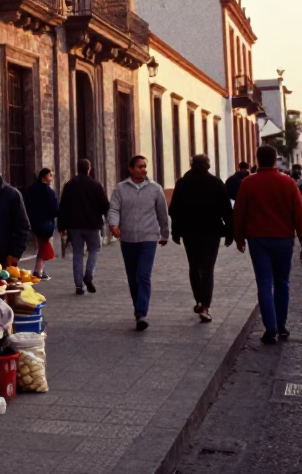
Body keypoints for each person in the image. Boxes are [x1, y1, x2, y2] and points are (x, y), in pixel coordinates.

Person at [234, 144, 302, 344]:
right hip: (283, 239)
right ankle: (281, 326)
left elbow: (239, 212)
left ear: (257, 160)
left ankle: (270, 328)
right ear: (275, 160)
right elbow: (299, 213)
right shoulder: (288, 183)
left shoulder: (248, 183)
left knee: (264, 282)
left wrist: (238, 238)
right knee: (282, 282)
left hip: (258, 240)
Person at [169, 153, 234, 323]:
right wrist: (229, 233)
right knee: (208, 269)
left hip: (190, 232)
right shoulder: (216, 183)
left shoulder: (183, 183)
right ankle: (205, 307)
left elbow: (174, 210)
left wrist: (175, 232)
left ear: (191, 165)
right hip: (211, 233)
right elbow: (226, 210)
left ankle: (199, 299)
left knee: (194, 266)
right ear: (208, 165)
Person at [108, 154, 169, 332]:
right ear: (131, 168)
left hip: (148, 237)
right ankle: (138, 309)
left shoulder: (155, 189)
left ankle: (142, 313)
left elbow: (162, 213)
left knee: (143, 275)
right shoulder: (120, 189)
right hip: (127, 239)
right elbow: (114, 208)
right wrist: (113, 224)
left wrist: (165, 233)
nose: (144, 169)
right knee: (133, 277)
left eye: (145, 166)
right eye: (140, 166)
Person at [57, 158, 110, 295]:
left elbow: (63, 207)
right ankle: (88, 275)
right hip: (93, 225)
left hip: (74, 226)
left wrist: (61, 226)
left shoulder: (69, 185)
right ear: (89, 169)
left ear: (77, 168)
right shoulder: (96, 185)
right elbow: (105, 205)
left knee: (78, 254)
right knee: (94, 250)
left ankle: (79, 286)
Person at [24, 168, 59, 279]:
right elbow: (54, 210)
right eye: (50, 176)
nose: (51, 178)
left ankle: (40, 270)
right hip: (46, 224)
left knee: (42, 246)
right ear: (43, 177)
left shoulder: (30, 190)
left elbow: (26, 206)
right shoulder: (49, 192)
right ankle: (38, 271)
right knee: (43, 246)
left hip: (34, 223)